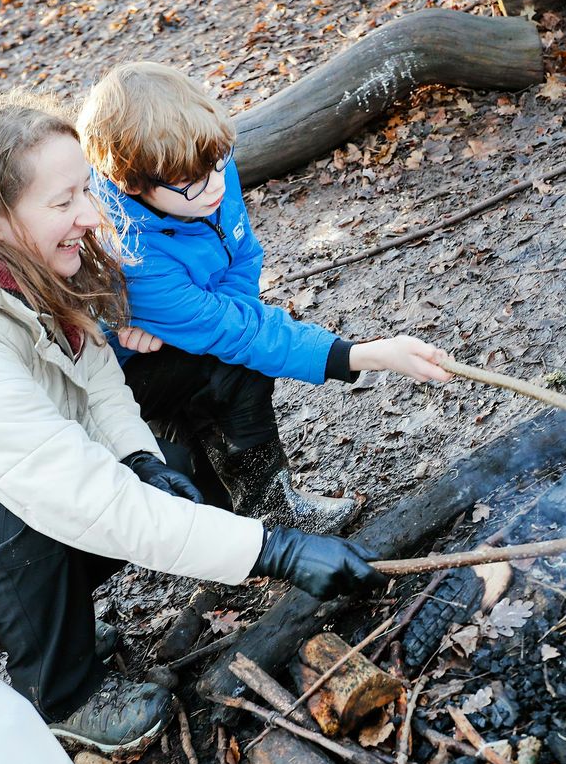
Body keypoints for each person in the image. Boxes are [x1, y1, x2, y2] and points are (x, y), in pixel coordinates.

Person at [0, 89, 385, 756]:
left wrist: (141, 459)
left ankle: (28, 613)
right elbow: (71, 494)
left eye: (86, 188)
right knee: (29, 513)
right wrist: (271, 551)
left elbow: (96, 368)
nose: (90, 213)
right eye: (64, 201)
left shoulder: (11, 261)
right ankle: (64, 694)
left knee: (167, 465)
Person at [76, 62, 452, 536]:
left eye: (219, 163)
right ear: (134, 185)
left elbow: (242, 254)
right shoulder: (134, 255)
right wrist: (364, 355)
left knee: (231, 357)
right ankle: (248, 523)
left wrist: (228, 309)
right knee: (233, 368)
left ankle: (262, 508)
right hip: (121, 375)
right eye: (193, 181)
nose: (216, 184)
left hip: (181, 325)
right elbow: (238, 332)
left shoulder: (203, 168)